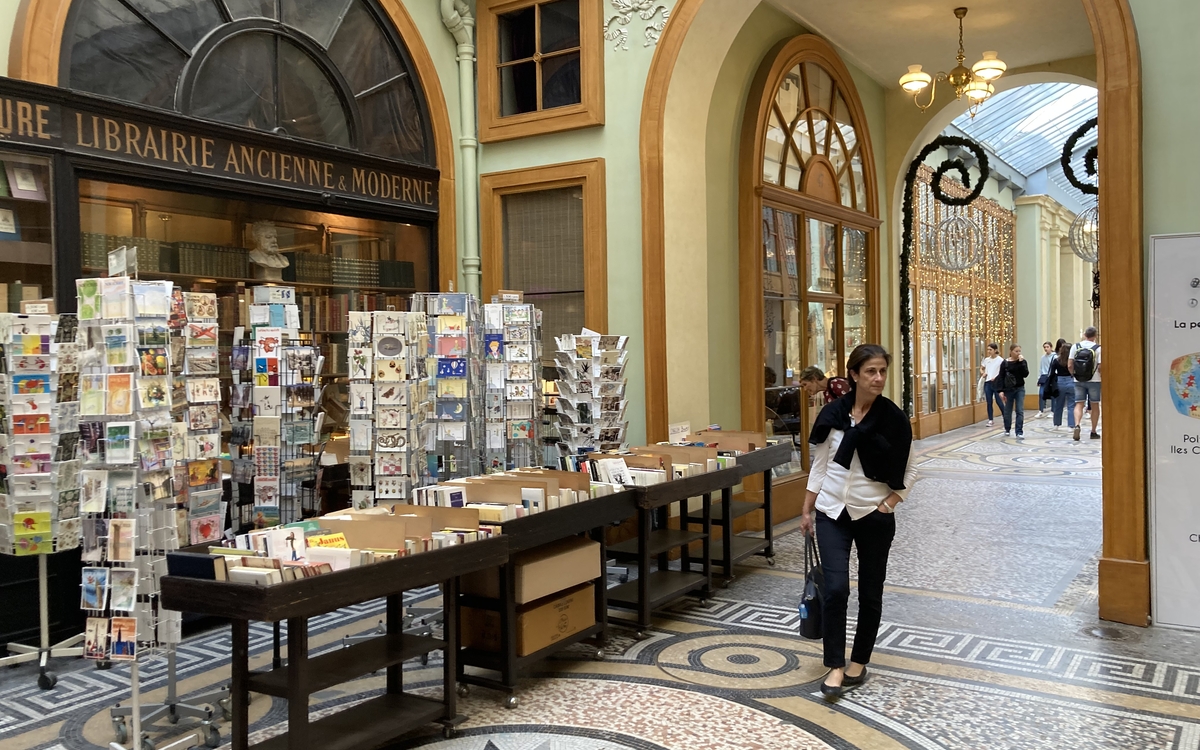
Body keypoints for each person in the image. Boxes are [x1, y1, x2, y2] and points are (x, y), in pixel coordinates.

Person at [799, 344, 916, 701]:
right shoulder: (833, 414)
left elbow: (911, 469)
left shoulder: (894, 419)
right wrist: (807, 509)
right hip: (832, 512)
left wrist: (890, 503)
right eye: (870, 372)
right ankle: (834, 664)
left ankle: (859, 661)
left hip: (873, 515)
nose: (878, 378)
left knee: (870, 591)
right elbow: (820, 467)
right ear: (854, 374)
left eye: (882, 371)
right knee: (836, 589)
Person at [1069, 326, 1102, 441]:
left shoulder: (1075, 346)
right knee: (1094, 405)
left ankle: (1077, 425)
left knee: (1079, 404)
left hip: (1078, 380)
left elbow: (1070, 364)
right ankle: (1093, 431)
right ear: (1095, 336)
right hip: (1094, 380)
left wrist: (1074, 375)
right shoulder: (1098, 348)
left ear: (1084, 335)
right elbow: (1100, 367)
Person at [997, 344, 1029, 438]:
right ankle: (1007, 428)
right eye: (1016, 351)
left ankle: (1019, 431)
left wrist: (1021, 363)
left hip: (1019, 388)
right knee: (1008, 410)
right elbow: (1001, 376)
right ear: (1011, 351)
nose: (1018, 353)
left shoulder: (1022, 362)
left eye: (1019, 351)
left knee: (1019, 410)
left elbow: (1025, 374)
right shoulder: (1005, 363)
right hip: (1008, 389)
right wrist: (1000, 390)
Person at [1048, 338, 1076, 430]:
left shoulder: (1056, 360)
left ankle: (1056, 424)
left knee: (1058, 404)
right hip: (1071, 381)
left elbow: (1052, 373)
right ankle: (1071, 425)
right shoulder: (1073, 361)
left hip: (1060, 382)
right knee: (1071, 405)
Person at [980, 343, 1003, 426]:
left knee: (998, 401)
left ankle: (1005, 416)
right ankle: (990, 419)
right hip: (988, 382)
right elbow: (981, 368)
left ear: (995, 350)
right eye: (988, 349)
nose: (989, 351)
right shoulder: (986, 360)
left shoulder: (1000, 360)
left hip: (996, 383)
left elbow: (1002, 372)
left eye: (990, 349)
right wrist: (983, 373)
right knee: (989, 401)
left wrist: (996, 377)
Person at [1036, 341, 1055, 417]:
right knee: (1041, 394)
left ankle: (1053, 411)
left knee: (1052, 394)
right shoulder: (1043, 357)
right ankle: (1041, 410)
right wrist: (1039, 378)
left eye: (1047, 347)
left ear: (1051, 347)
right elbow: (1041, 368)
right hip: (1044, 377)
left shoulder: (1055, 357)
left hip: (1051, 377)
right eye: (1044, 347)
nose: (1046, 348)